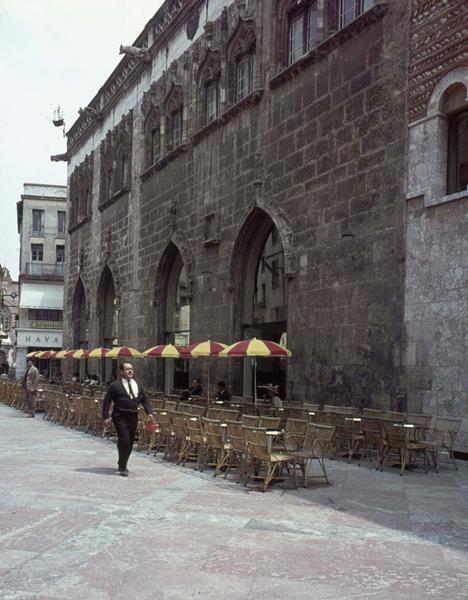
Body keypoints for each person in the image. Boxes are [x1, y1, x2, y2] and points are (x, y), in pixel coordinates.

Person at [102, 362, 154, 477]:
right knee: (124, 439)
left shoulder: (138, 385)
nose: (130, 371)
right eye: (127, 369)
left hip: (133, 416)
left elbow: (144, 399)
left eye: (131, 369)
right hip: (120, 416)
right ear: (121, 372)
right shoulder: (115, 385)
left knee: (130, 441)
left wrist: (149, 412)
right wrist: (106, 417)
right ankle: (123, 466)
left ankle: (123, 461)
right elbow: (107, 401)